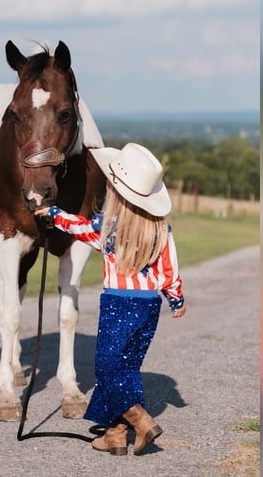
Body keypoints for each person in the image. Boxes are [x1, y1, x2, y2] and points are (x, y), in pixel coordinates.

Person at [35, 142, 187, 456]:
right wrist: (176, 299)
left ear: (113, 189)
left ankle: (141, 421)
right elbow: (169, 270)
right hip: (148, 307)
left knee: (106, 369)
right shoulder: (162, 230)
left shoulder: (107, 228)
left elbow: (79, 228)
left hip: (118, 305)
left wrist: (54, 214)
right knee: (127, 369)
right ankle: (115, 436)